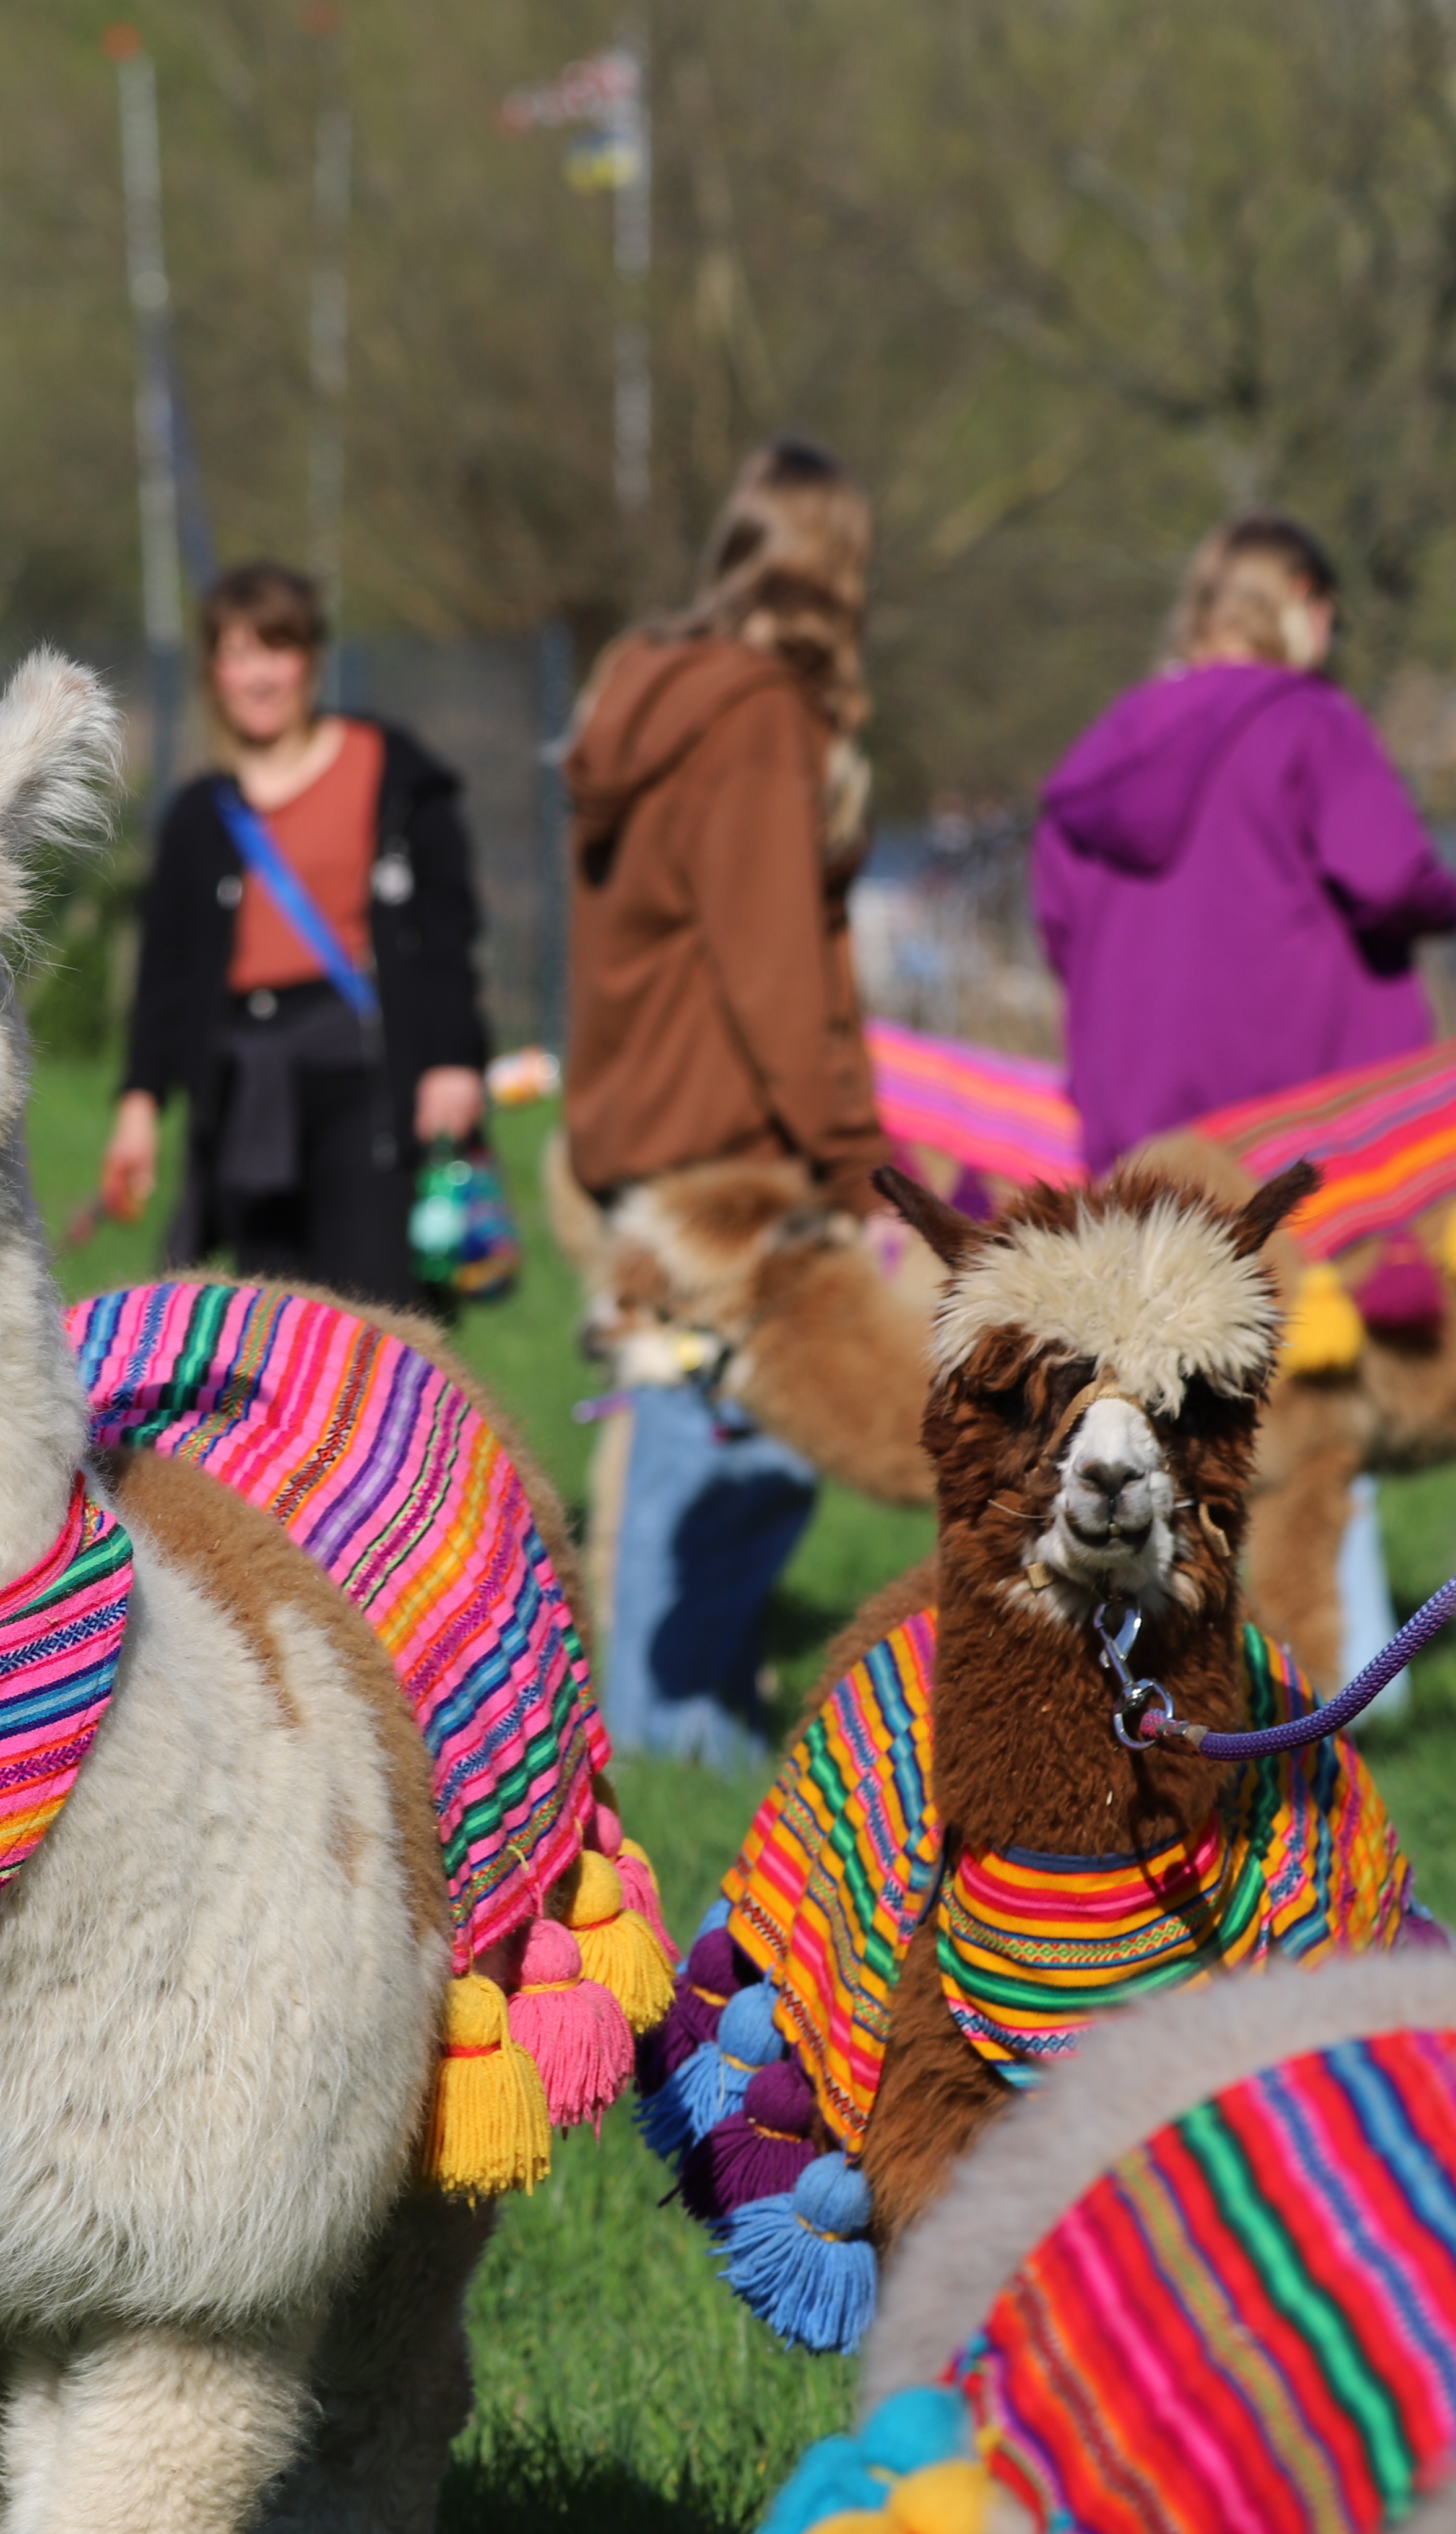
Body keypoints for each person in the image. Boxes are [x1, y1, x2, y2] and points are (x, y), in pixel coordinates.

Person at [1033, 513, 1456, 1700]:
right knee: (1314, 1409)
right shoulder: (1306, 724)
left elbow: (1059, 931)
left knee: (1177, 1423)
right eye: (1326, 614)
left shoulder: (1103, 751)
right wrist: (1447, 899)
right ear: (1294, 601)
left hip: (1143, 1137)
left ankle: (1171, 1676)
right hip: (1290, 1129)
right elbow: (1386, 872)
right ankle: (1341, 1685)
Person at [563, 437, 888, 1765]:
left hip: (645, 1137)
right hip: (733, 1156)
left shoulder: (644, 697)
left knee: (692, 1443)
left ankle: (675, 1723)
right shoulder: (751, 717)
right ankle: (673, 1736)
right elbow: (773, 971)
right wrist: (859, 1162)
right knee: (734, 1456)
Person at [103, 564, 490, 1313]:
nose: (258, 675)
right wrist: (140, 1103)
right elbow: (167, 974)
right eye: (238, 653)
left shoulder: (394, 774)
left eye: (276, 650)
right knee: (265, 1323)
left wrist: (451, 1059)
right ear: (214, 671)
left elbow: (446, 934)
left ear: (311, 658)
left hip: (363, 1078)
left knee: (376, 1314)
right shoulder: (197, 814)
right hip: (246, 1087)